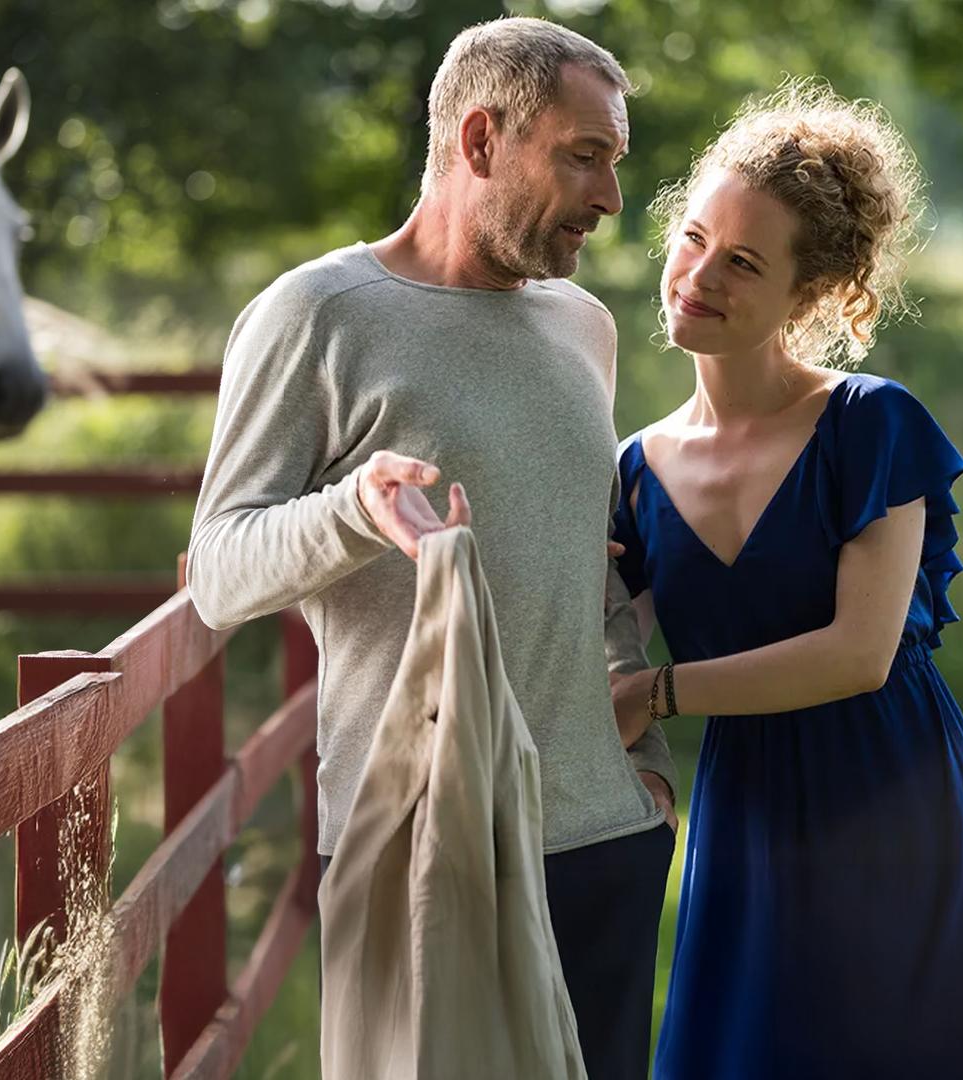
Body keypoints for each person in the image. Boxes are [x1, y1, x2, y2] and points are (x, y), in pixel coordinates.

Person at [186, 17, 676, 1078]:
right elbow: (222, 574)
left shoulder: (583, 326)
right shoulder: (317, 316)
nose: (610, 197)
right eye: (584, 155)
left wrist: (645, 769)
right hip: (422, 849)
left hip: (604, 839)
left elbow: (590, 564)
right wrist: (356, 510)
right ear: (482, 138)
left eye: (616, 161)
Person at [608, 80, 963, 1078]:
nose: (697, 275)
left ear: (811, 293)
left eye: (743, 262)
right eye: (694, 238)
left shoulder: (870, 424)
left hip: (902, 814)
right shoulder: (632, 469)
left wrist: (653, 694)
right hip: (751, 834)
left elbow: (860, 654)